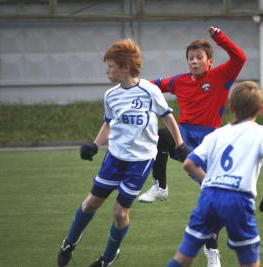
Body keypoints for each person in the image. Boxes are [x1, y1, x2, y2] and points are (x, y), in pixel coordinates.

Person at [57, 39, 188, 267]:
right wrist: (95, 145)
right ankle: (69, 242)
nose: (107, 71)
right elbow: (108, 124)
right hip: (115, 158)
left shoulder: (150, 91)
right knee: (90, 204)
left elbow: (167, 116)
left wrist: (180, 145)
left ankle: (108, 258)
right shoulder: (111, 96)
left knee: (120, 213)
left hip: (140, 162)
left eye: (111, 66)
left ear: (126, 67)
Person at [138, 26, 246, 266]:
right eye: (191, 58)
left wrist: (219, 37)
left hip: (210, 142)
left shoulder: (220, 76)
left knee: (209, 199)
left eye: (199, 58)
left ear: (210, 61)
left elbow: (240, 57)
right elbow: (151, 85)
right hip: (184, 137)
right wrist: (132, 79)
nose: (194, 62)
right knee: (159, 138)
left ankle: (212, 252)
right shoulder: (179, 81)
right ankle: (160, 186)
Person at [166, 81, 263, 267]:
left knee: (183, 258)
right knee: (250, 262)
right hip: (238, 198)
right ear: (260, 109)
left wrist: (207, 180)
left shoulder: (215, 134)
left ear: (232, 108)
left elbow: (189, 163)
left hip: (209, 196)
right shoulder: (262, 132)